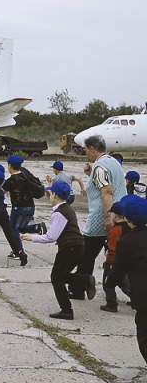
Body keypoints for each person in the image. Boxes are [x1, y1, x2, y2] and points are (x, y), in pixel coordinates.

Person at [21, 180, 95, 320]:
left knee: (56, 277)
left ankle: (67, 310)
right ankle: (84, 280)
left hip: (70, 248)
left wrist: (33, 237)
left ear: (54, 195)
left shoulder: (59, 213)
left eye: (50, 193)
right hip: (78, 246)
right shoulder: (68, 209)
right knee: (61, 275)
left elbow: (51, 236)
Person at [69, 135, 127, 299]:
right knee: (94, 253)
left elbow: (107, 191)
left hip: (101, 218)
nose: (86, 153)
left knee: (85, 253)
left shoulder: (100, 167)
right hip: (120, 215)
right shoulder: (113, 162)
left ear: (92, 149)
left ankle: (80, 287)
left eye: (86, 150)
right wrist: (90, 174)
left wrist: (107, 217)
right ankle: (83, 286)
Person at [106, 195, 147, 364]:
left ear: (128, 218)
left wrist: (109, 282)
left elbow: (118, 271)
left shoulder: (126, 242)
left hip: (144, 297)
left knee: (144, 336)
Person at [1, 155, 45, 259]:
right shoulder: (26, 176)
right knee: (21, 227)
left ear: (10, 166)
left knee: (13, 229)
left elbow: (1, 192)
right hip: (30, 208)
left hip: (18, 208)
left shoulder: (11, 180)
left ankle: (18, 251)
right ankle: (37, 227)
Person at [101, 201, 131, 312]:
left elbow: (112, 249)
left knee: (109, 283)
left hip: (115, 262)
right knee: (127, 282)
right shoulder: (130, 228)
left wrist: (110, 263)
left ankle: (111, 303)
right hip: (128, 260)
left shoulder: (114, 231)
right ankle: (137, 298)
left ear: (114, 215)